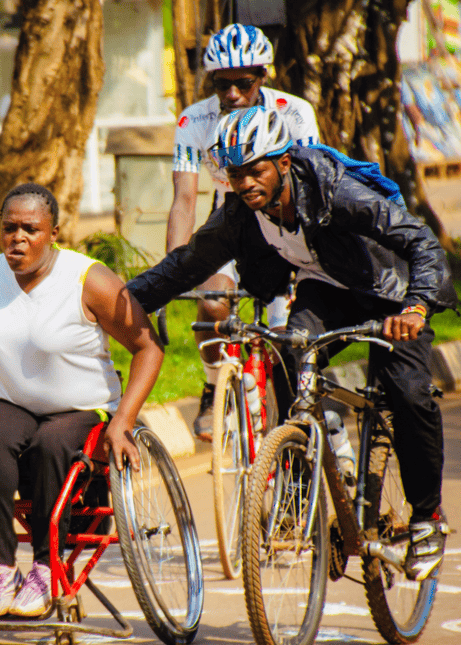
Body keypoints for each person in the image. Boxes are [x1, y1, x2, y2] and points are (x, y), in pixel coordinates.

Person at [127, 106, 457, 582]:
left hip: (393, 291)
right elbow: (185, 265)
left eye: (255, 169)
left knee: (406, 391)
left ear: (283, 162)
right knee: (289, 352)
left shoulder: (336, 191)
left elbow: (421, 240)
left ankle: (428, 518)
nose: (244, 183)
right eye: (235, 174)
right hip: (329, 288)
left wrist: (417, 307)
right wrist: (115, 300)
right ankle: (300, 490)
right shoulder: (242, 214)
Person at [0, 183, 164, 617]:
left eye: (30, 229)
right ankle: (1, 570)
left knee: (51, 445)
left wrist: (123, 420)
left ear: (54, 233)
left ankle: (43, 566)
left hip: (81, 407)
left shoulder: (88, 280)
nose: (18, 238)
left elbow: (149, 348)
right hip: (9, 400)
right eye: (9, 228)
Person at [168, 23, 321, 441]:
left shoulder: (295, 113)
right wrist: (173, 270)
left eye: (243, 83)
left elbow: (311, 186)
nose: (232, 94)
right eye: (222, 85)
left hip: (286, 226)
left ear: (264, 77)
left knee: (287, 339)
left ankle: (308, 440)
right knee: (213, 304)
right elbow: (184, 200)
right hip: (232, 222)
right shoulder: (194, 118)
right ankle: (214, 383)